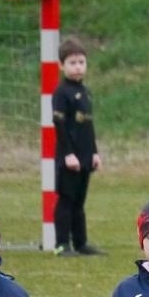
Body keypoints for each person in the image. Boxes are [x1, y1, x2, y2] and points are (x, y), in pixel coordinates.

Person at [51, 38, 103, 256]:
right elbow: (60, 125)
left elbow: (87, 126)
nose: (78, 66)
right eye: (72, 62)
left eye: (81, 62)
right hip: (69, 158)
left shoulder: (86, 92)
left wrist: (94, 152)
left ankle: (81, 243)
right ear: (62, 65)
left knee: (79, 202)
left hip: (84, 156)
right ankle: (62, 244)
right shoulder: (61, 93)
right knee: (66, 200)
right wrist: (68, 154)